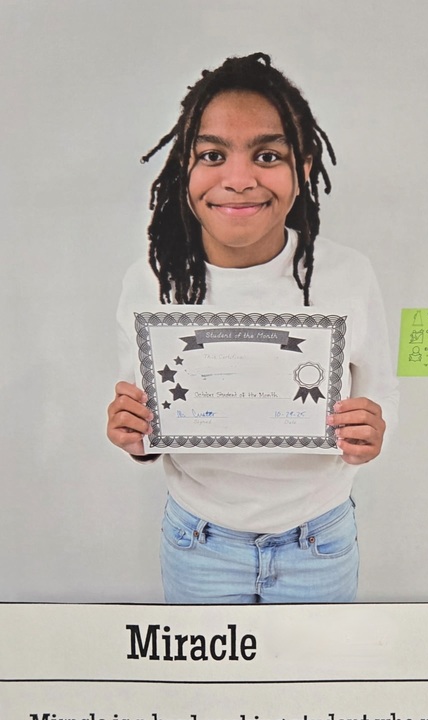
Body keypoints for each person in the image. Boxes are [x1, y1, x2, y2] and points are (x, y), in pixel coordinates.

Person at [107, 52, 398, 604]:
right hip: (199, 542)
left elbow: (380, 390)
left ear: (305, 167)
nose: (238, 179)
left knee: (312, 689)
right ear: (182, 169)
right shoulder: (150, 282)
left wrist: (371, 433)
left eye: (268, 155)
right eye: (212, 155)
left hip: (319, 539)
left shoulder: (348, 275)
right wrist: (133, 435)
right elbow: (146, 415)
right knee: (208, 691)